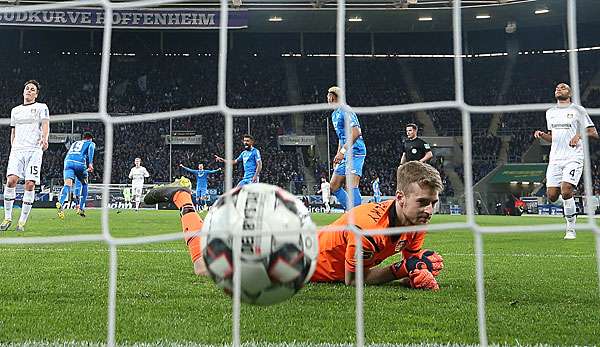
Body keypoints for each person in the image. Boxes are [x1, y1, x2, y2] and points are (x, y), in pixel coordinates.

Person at [144, 160, 444, 290]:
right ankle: (183, 199)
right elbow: (355, 281)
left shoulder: (416, 221)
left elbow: (410, 263)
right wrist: (400, 271)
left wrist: (416, 272)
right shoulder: (366, 226)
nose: (429, 210)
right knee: (203, 268)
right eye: (423, 203)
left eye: (433, 202)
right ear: (401, 197)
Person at [534, 83, 598, 240]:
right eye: (556, 88)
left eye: (562, 87)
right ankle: (570, 207)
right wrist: (543, 135)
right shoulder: (550, 113)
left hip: (574, 157)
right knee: (552, 196)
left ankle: (571, 229)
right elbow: (553, 137)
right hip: (555, 159)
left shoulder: (578, 110)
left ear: (570, 93)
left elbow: (593, 132)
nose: (558, 89)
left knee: (566, 189)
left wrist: (579, 135)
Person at [1, 80, 49, 232]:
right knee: (11, 181)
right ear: (23, 92)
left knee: (30, 184)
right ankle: (7, 217)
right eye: (27, 88)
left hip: (34, 150)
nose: (29, 91)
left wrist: (45, 138)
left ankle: (21, 222)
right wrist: (13, 146)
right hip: (17, 150)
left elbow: (46, 124)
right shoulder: (15, 111)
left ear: (36, 94)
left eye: (32, 89)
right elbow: (13, 130)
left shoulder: (41, 107)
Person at [327, 86, 367, 211]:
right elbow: (341, 137)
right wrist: (339, 154)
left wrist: (342, 152)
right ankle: (351, 212)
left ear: (333, 97)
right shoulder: (334, 114)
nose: (327, 99)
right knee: (333, 186)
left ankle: (358, 218)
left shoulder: (346, 110)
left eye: (329, 96)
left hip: (355, 152)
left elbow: (355, 133)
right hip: (345, 153)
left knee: (351, 185)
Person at [56, 132, 95, 219]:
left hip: (68, 162)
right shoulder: (90, 143)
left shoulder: (75, 143)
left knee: (67, 184)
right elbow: (91, 148)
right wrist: (90, 163)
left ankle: (60, 201)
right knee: (84, 184)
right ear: (89, 138)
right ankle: (81, 208)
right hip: (79, 163)